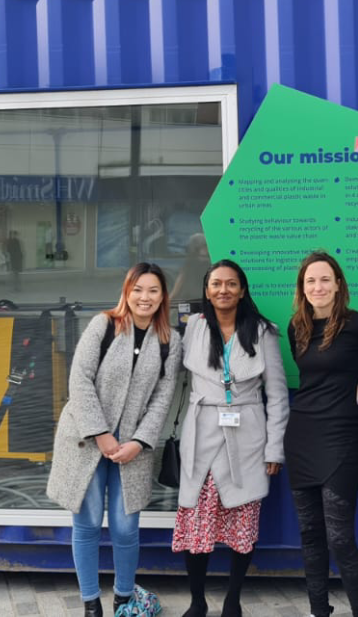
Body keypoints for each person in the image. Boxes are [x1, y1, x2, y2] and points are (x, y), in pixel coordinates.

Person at [47, 263, 181, 617]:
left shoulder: (170, 339)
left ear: (163, 296)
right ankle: (91, 603)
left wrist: (138, 442)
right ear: (127, 291)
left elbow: (162, 398)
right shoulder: (104, 325)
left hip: (133, 447)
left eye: (153, 290)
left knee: (125, 528)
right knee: (88, 523)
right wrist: (102, 435)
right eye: (138, 289)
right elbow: (79, 380)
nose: (145, 297)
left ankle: (124, 599)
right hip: (86, 439)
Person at [172, 259, 289, 617]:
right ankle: (197, 600)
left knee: (242, 524)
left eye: (231, 284)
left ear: (242, 290)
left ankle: (233, 599)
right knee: (197, 524)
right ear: (206, 289)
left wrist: (274, 448)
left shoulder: (263, 331)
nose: (223, 290)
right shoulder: (193, 327)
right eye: (216, 284)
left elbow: (278, 394)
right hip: (201, 436)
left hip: (248, 437)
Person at [285, 251, 358, 617]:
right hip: (301, 435)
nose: (318, 287)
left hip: (340, 436)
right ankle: (318, 611)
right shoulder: (299, 326)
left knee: (340, 538)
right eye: (310, 281)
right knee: (310, 535)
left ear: (338, 284)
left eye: (325, 279)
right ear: (303, 288)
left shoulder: (356, 324)